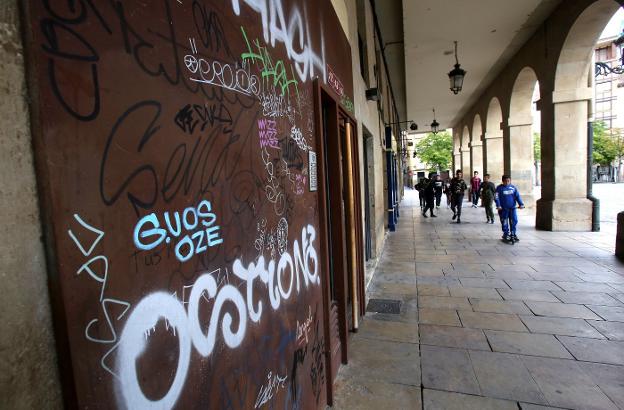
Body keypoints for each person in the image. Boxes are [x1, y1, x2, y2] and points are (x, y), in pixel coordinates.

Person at [495, 175, 525, 241]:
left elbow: (517, 196)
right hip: (503, 209)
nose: (507, 182)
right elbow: (496, 198)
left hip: (512, 208)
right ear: (503, 181)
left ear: (510, 181)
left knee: (514, 221)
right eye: (505, 181)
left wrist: (521, 204)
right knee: (504, 221)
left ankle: (513, 233)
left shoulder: (513, 188)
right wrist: (498, 205)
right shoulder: (499, 188)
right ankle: (506, 234)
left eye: (508, 181)